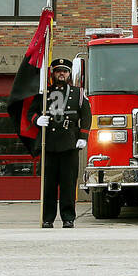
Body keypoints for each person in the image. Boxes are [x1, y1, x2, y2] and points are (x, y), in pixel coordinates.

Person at [28, 58, 91, 228]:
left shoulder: (78, 93)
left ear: (69, 74)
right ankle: (47, 218)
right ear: (53, 73)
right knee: (48, 185)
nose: (61, 74)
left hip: (70, 144)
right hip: (48, 144)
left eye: (64, 71)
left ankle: (68, 218)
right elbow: (31, 112)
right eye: (58, 71)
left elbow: (86, 116)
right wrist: (37, 120)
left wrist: (83, 137)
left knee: (68, 184)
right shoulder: (44, 92)